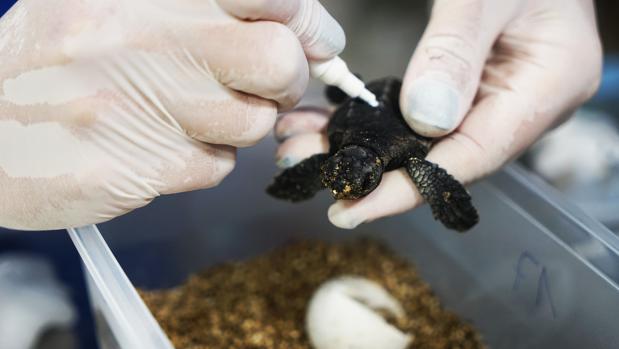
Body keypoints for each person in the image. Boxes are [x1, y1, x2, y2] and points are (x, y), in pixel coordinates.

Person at [0, 0, 601, 231]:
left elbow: (420, 158)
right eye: (342, 175)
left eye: (345, 178)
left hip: (386, 79)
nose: (341, 182)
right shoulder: (358, 148)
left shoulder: (393, 153)